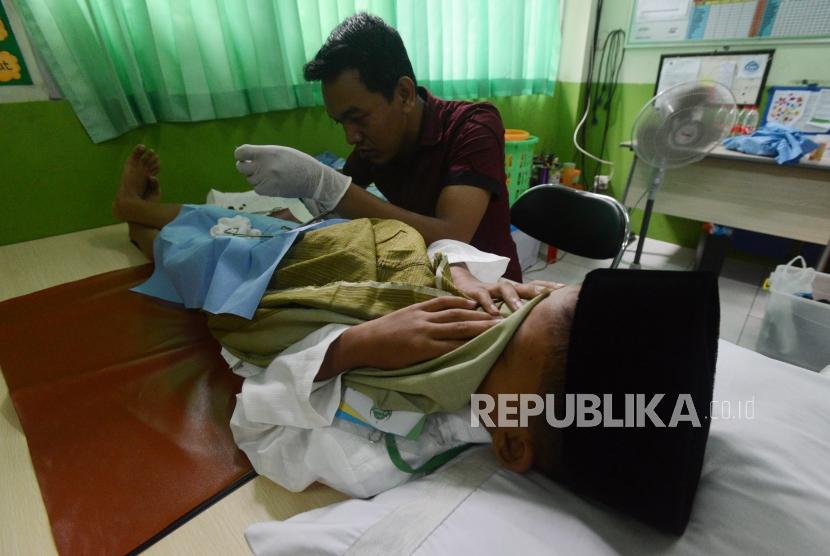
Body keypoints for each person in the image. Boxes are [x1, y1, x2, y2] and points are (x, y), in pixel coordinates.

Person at [114, 145, 720, 534]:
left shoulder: (394, 440)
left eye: (502, 342)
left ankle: (133, 217)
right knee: (250, 225)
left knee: (194, 253)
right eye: (543, 298)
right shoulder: (499, 302)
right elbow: (444, 247)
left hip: (267, 297)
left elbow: (260, 427)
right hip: (326, 246)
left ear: (511, 441)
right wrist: (461, 270)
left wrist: (356, 347)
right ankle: (163, 219)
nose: (497, 316)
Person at [233, 12, 523, 282]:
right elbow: (341, 212)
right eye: (340, 123)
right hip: (429, 279)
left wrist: (329, 186)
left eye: (357, 118)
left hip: (492, 289)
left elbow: (453, 235)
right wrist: (304, 222)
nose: (350, 137)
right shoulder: (374, 145)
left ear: (404, 94)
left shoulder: (473, 127)